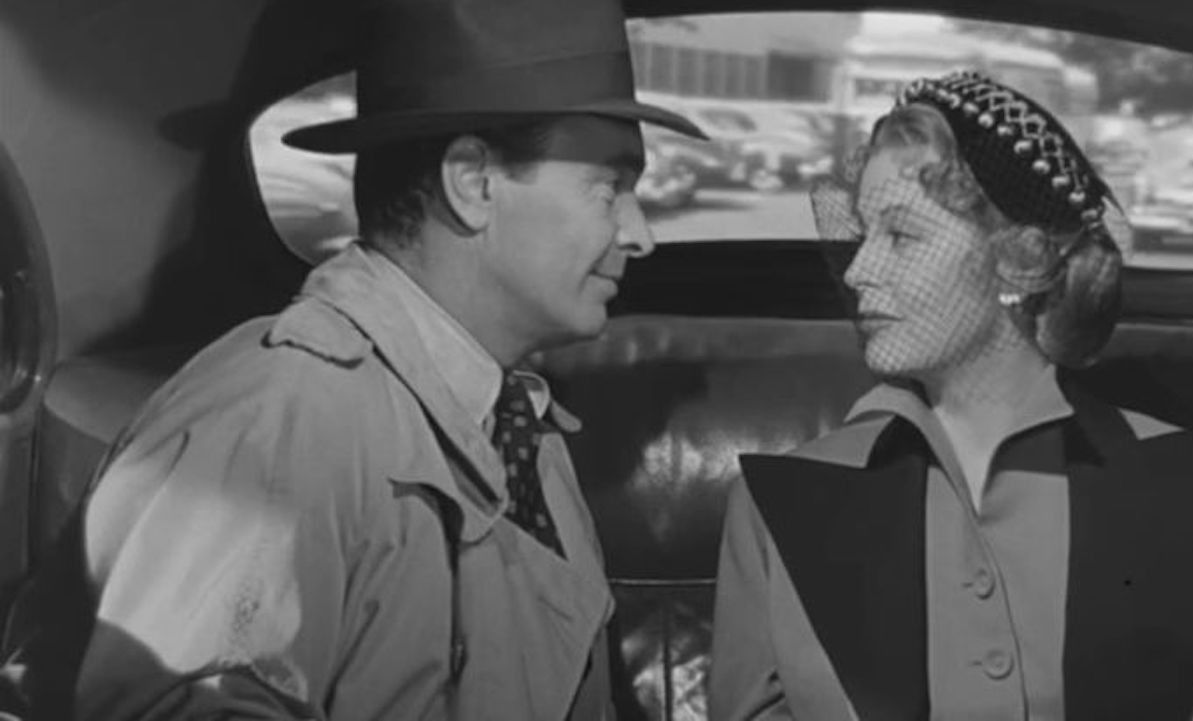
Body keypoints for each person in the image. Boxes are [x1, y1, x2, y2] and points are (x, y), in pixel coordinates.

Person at [9, 0, 705, 718]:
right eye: (610, 188)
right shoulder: (276, 419)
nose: (639, 233)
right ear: (474, 182)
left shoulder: (521, 433)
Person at [708, 71, 1193, 720]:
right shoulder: (777, 504)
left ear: (1021, 258)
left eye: (901, 236)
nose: (860, 270)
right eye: (864, 236)